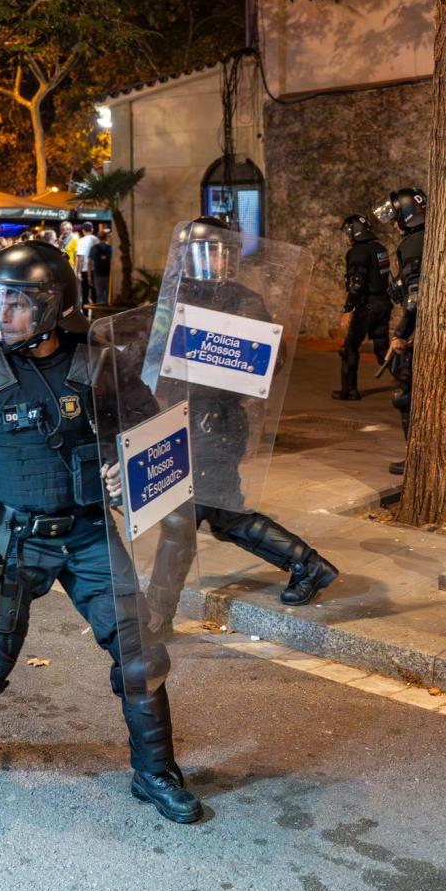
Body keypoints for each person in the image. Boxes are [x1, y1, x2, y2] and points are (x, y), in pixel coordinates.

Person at [0, 241, 202, 824]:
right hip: (19, 540)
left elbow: (151, 433)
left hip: (92, 533)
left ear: (52, 307)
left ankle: (155, 771)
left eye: (16, 304)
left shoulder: (99, 363)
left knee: (139, 656)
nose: (2, 316)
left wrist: (132, 467)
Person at [147, 218, 341, 614]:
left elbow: (272, 360)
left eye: (222, 254)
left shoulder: (244, 300)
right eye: (206, 254)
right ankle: (308, 565)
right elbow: (153, 353)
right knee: (224, 515)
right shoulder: (174, 296)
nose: (215, 263)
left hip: (214, 424)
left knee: (180, 522)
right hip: (181, 419)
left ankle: (155, 617)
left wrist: (230, 350)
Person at [375, 187, 427, 475]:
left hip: (421, 330)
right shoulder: (428, 237)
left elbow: (415, 297)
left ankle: (417, 461)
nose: (394, 225)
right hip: (430, 328)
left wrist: (400, 334)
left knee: (407, 395)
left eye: (396, 218)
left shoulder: (412, 244)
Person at [333, 213, 392, 401]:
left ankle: (349, 391)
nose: (346, 237)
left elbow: (357, 283)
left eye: (347, 232)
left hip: (367, 305)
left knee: (350, 346)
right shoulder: (379, 248)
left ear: (354, 232)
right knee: (383, 349)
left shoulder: (358, 252)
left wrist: (348, 307)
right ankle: (410, 383)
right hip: (383, 303)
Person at [89, 229, 113, 305]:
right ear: (106, 238)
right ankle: (106, 312)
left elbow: (89, 263)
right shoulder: (110, 248)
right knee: (107, 296)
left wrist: (89, 276)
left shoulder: (93, 248)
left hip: (97, 275)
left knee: (99, 295)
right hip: (108, 275)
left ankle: (99, 313)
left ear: (98, 238)